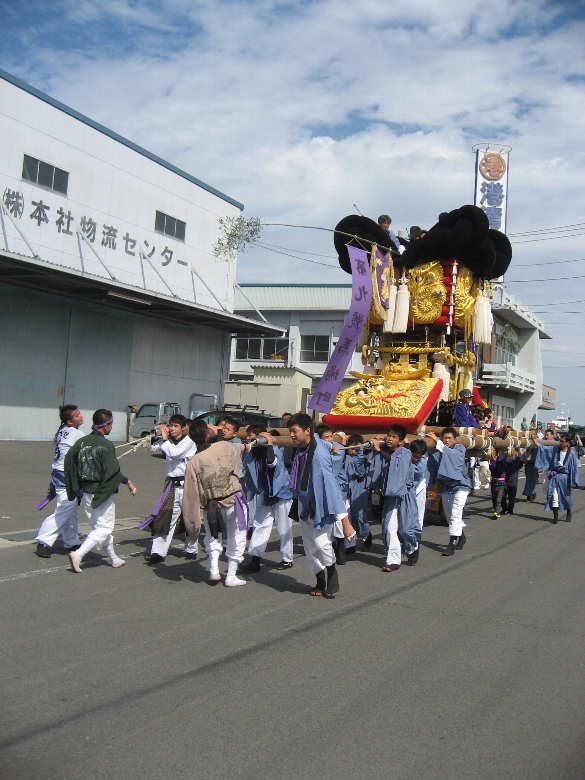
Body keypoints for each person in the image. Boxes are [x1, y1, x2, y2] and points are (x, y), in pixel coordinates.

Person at [287, 413, 354, 598]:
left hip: (321, 504)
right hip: (303, 501)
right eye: (290, 431)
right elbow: (323, 442)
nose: (291, 435)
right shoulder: (308, 445)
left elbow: (332, 489)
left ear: (307, 431)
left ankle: (332, 573)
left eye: (294, 431)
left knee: (321, 543)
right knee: (309, 545)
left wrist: (345, 523)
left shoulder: (319, 456)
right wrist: (331, 445)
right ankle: (319, 579)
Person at [65, 409, 137, 573]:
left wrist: (75, 485)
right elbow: (112, 471)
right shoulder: (106, 445)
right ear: (106, 425)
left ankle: (114, 559)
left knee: (99, 528)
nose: (111, 427)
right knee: (104, 528)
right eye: (111, 424)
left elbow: (69, 462)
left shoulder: (81, 442)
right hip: (101, 491)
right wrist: (127, 482)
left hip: (87, 491)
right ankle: (78, 554)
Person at [182, 420, 251, 586]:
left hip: (210, 503)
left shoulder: (193, 461)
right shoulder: (225, 446)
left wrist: (191, 522)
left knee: (213, 536)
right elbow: (243, 447)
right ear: (208, 435)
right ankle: (231, 576)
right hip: (233, 498)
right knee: (237, 535)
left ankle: (214, 570)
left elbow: (190, 494)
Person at [141, 414, 197, 565]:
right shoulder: (168, 441)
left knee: (190, 519)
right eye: (170, 425)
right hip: (172, 486)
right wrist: (155, 434)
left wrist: (165, 439)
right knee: (165, 518)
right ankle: (157, 553)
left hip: (188, 486)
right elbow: (152, 448)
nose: (172, 429)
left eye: (175, 426)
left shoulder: (189, 442)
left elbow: (174, 453)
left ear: (183, 428)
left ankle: (191, 549)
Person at [239, 425, 294, 573]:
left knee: (284, 527)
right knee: (260, 524)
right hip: (266, 491)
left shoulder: (274, 449)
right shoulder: (253, 452)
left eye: (251, 435)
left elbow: (271, 463)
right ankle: (255, 560)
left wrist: (269, 443)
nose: (248, 438)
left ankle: (287, 559)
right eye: (247, 436)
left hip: (281, 492)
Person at [35, 405, 85, 558]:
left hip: (58, 474)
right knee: (65, 509)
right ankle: (43, 541)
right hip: (66, 476)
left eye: (79, 413)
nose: (81, 416)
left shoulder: (61, 431)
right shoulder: (76, 433)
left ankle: (71, 541)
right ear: (70, 421)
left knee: (71, 509)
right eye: (77, 415)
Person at [371, 425, 417, 571]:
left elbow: (397, 463)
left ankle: (412, 548)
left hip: (405, 495)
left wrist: (379, 451)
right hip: (391, 496)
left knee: (406, 529)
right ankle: (394, 560)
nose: (390, 439)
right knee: (389, 527)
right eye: (389, 436)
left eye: (394, 437)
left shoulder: (405, 453)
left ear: (401, 441)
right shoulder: (384, 449)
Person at [426, 428, 471, 556]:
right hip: (446, 486)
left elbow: (452, 457)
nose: (446, 440)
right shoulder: (439, 451)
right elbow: (431, 460)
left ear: (454, 440)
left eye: (449, 438)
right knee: (449, 514)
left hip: (460, 486)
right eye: (444, 438)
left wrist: (436, 440)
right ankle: (461, 536)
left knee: (456, 513)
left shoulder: (459, 449)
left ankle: (451, 543)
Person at [315, 424, 351, 565]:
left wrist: (343, 443)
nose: (330, 440)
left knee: (339, 518)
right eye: (326, 437)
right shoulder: (316, 449)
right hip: (320, 490)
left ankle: (340, 549)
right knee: (325, 522)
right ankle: (329, 550)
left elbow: (335, 459)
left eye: (331, 436)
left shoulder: (337, 448)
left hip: (336, 488)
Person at [532, 431, 579, 523]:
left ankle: (568, 513)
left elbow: (574, 468)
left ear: (567, 443)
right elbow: (543, 449)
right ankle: (555, 517)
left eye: (563, 441)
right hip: (555, 476)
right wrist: (533, 440)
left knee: (566, 497)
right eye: (560, 441)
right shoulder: (555, 450)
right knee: (554, 496)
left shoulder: (571, 454)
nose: (561, 443)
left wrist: (574, 480)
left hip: (565, 478)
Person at [344, 433, 374, 551]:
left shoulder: (360, 458)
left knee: (358, 515)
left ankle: (366, 533)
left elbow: (359, 459)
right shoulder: (344, 456)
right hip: (345, 487)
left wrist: (360, 448)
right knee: (346, 515)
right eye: (351, 448)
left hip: (359, 486)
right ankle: (350, 543)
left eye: (356, 449)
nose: (353, 452)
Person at [409, 439, 428, 565]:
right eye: (413, 456)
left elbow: (416, 471)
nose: (415, 459)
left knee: (417, 518)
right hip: (405, 491)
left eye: (418, 457)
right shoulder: (405, 455)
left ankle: (415, 546)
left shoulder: (423, 462)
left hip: (418, 489)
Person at [501, 449, 523, 515]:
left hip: (513, 479)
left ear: (516, 452)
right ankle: (504, 509)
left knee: (512, 496)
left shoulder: (517, 459)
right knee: (503, 495)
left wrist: (507, 458)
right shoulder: (505, 458)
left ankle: (510, 510)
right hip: (505, 478)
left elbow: (517, 463)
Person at [488, 449, 508, 519]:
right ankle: (495, 510)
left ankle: (496, 512)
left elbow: (504, 465)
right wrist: (494, 461)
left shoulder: (503, 460)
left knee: (498, 499)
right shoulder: (492, 462)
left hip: (501, 483)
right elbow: (492, 469)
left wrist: (498, 458)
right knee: (494, 498)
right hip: (494, 482)